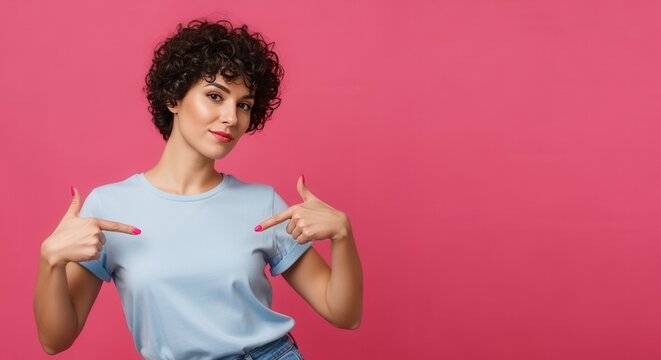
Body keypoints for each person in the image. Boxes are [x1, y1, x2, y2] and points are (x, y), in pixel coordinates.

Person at [33, 18, 363, 360]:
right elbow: (55, 341)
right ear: (173, 98)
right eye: (215, 96)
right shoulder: (110, 206)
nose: (231, 118)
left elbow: (344, 314)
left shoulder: (263, 204)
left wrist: (342, 236)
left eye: (243, 105)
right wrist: (50, 261)